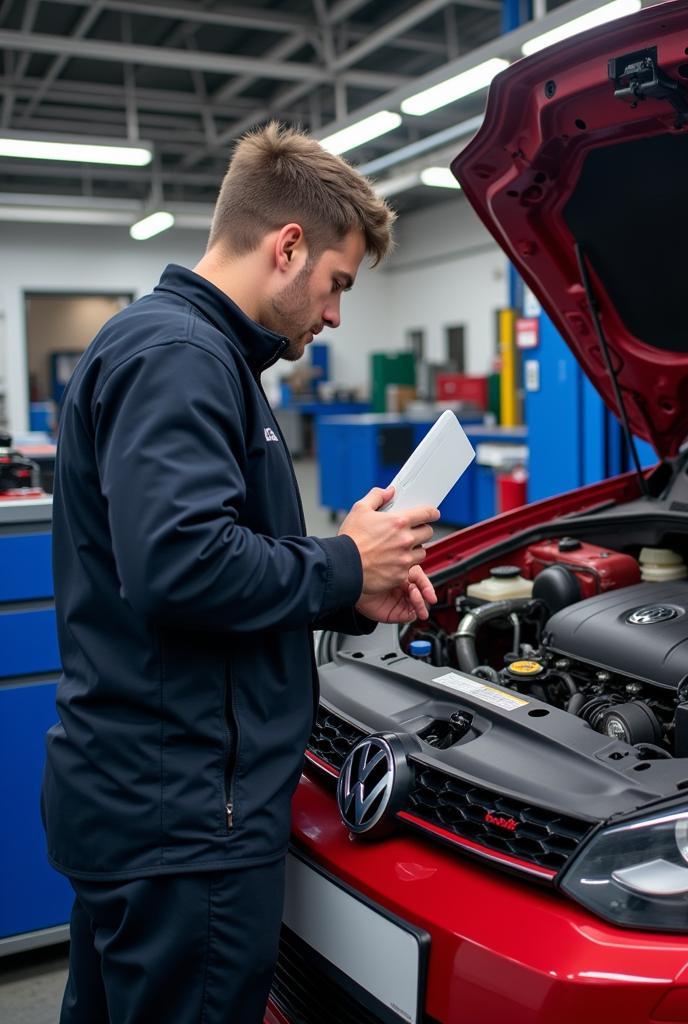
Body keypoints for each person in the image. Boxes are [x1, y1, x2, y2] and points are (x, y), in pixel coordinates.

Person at [42, 122, 440, 1023]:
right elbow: (181, 566)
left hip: (144, 799)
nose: (335, 313)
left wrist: (351, 584)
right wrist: (344, 560)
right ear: (288, 246)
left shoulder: (182, 348)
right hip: (183, 821)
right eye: (337, 283)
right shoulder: (181, 358)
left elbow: (199, 557)